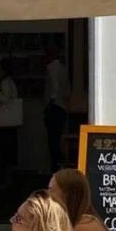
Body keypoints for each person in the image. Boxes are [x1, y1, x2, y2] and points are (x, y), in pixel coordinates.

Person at [0, 58, 20, 188]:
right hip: (10, 123)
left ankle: (7, 181)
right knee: (9, 152)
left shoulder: (4, 83)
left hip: (4, 124)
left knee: (5, 153)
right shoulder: (10, 82)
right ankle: (8, 180)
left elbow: (5, 99)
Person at [43, 42, 71, 172]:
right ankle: (60, 168)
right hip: (62, 107)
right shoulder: (63, 68)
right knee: (58, 139)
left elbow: (54, 88)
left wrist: (49, 104)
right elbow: (67, 90)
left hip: (54, 107)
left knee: (53, 142)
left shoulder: (51, 68)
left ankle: (54, 170)